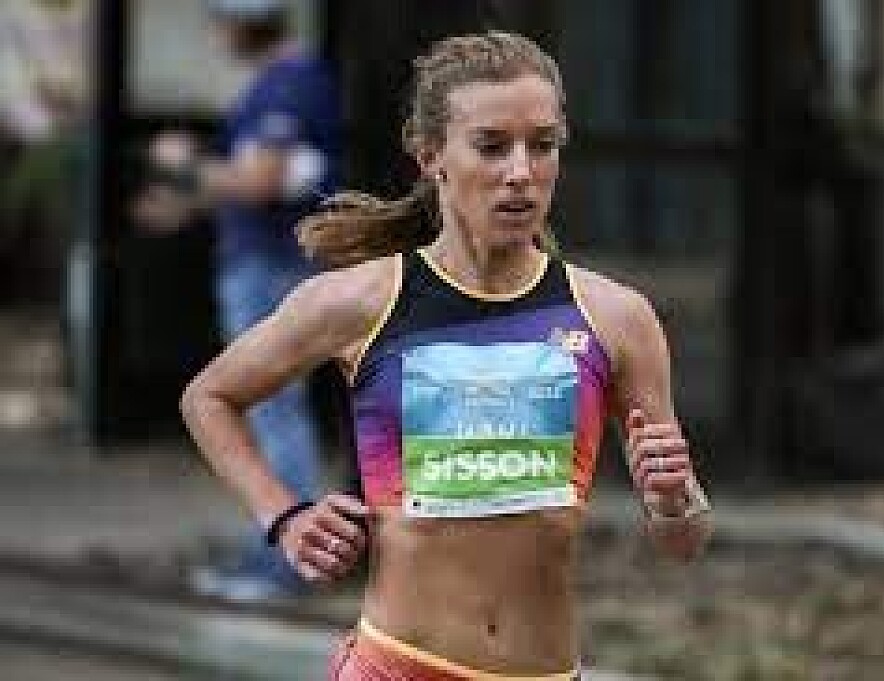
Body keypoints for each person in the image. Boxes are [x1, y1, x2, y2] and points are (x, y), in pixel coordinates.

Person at [180, 31, 711, 679]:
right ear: (430, 154)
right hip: (396, 666)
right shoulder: (361, 301)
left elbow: (683, 542)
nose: (521, 172)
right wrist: (284, 515)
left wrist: (673, 500)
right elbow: (209, 397)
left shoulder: (615, 317)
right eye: (491, 146)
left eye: (543, 145)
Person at [137, 0, 345, 601]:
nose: (218, 33)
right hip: (268, 262)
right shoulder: (288, 81)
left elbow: (261, 181)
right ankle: (282, 547)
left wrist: (186, 167)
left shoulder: (287, 84)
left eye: (223, 21)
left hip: (271, 267)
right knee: (268, 408)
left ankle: (289, 559)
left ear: (244, 22)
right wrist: (188, 202)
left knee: (269, 408)